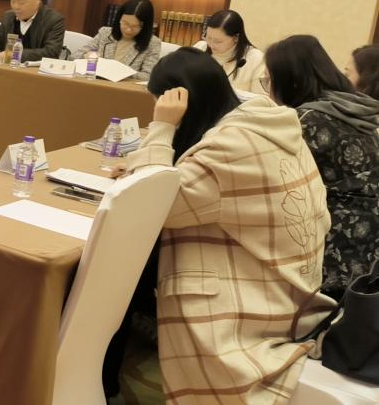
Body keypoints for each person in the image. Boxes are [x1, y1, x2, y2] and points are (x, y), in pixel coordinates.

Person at [121, 48, 333, 403]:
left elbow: (150, 206)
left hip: (255, 307)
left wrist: (162, 128)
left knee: (128, 270)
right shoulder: (264, 125)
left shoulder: (227, 149)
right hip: (294, 291)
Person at [263, 35, 379, 299]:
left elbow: (274, 179)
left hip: (332, 249)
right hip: (368, 249)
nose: (268, 90)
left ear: (290, 80)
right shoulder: (353, 109)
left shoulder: (307, 120)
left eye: (269, 80)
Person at [70, 0, 163, 79]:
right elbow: (74, 57)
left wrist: (120, 71)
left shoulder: (152, 43)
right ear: (119, 19)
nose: (128, 30)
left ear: (145, 26)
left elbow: (148, 75)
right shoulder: (105, 33)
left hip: (123, 89)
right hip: (96, 84)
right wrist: (87, 57)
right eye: (125, 23)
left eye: (135, 26)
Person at [196, 9, 265, 95]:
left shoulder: (255, 58)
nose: (211, 45)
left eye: (218, 41)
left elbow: (261, 99)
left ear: (236, 38)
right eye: (208, 38)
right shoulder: (200, 48)